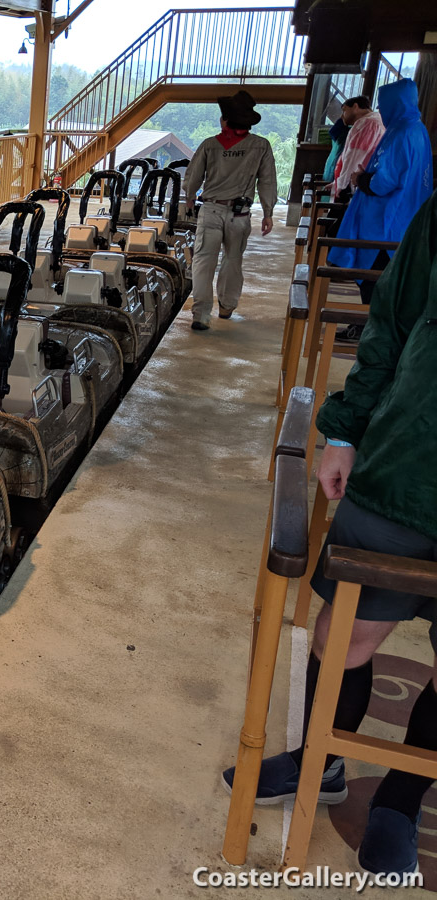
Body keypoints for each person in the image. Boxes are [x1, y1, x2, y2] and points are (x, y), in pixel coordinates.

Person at [223, 190, 437, 878]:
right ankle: (326, 755)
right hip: (408, 462)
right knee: (340, 635)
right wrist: (345, 429)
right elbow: (394, 322)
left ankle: (400, 804)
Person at [328, 79, 432, 339]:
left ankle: (367, 330)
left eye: (384, 104)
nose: (381, 110)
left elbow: (386, 181)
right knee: (379, 278)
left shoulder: (403, 132)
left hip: (385, 221)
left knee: (374, 277)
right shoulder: (414, 130)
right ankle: (368, 327)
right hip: (397, 217)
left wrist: (361, 179)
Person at [182, 90, 277, 331]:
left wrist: (190, 198)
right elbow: (267, 181)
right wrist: (268, 212)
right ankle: (226, 306)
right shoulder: (261, 146)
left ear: (225, 120)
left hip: (212, 209)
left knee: (203, 262)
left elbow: (193, 177)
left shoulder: (210, 145)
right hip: (240, 214)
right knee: (233, 261)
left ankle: (201, 315)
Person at [331, 95, 384, 196]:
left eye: (344, 110)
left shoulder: (367, 123)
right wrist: (336, 183)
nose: (342, 116)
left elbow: (354, 159)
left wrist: (342, 186)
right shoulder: (375, 120)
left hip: (353, 187)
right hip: (359, 184)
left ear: (355, 107)